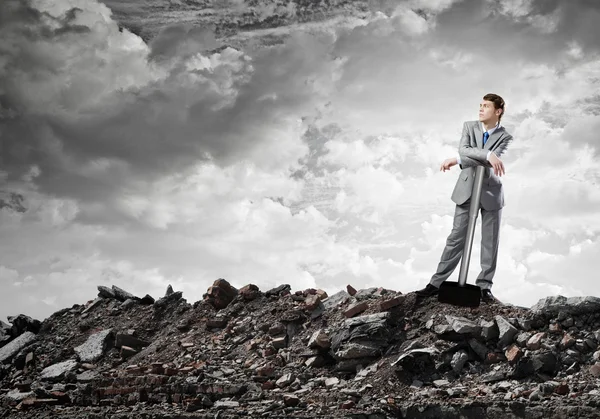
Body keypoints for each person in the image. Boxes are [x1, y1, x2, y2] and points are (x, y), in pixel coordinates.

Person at [415, 93, 513, 304]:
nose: (480, 109)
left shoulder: (505, 137)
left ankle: (484, 287)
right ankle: (436, 283)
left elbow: (477, 159)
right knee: (456, 237)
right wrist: (486, 155)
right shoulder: (469, 127)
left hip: (491, 193)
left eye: (486, 106)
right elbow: (465, 149)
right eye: (480, 105)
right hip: (467, 189)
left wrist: (459, 159)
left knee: (490, 241)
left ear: (498, 111)